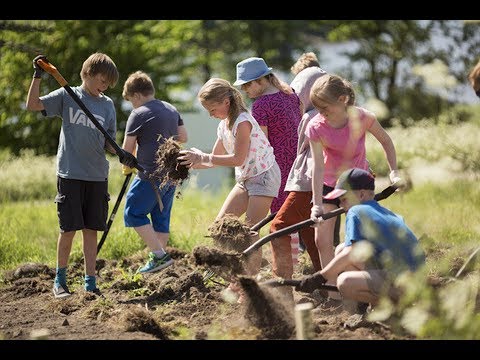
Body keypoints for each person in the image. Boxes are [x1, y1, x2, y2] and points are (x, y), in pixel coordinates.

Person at [26, 53, 137, 298]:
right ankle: (60, 280)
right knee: (68, 229)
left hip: (97, 176)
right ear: (87, 74)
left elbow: (108, 140)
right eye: (102, 80)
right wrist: (38, 75)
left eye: (108, 84)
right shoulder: (68, 96)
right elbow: (32, 105)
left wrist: (121, 153)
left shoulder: (107, 104)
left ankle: (90, 282)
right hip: (70, 174)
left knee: (91, 230)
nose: (104, 86)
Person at [177, 78, 281, 286]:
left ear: (226, 102)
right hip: (245, 179)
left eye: (212, 109)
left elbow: (237, 159)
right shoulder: (223, 125)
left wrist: (204, 158)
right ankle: (230, 274)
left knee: (250, 233)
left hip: (263, 177)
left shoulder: (242, 121)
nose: (210, 114)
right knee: (220, 227)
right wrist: (190, 162)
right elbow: (214, 158)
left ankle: (250, 285)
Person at [306, 74, 401, 298]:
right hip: (330, 184)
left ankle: (369, 285)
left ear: (343, 99)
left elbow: (386, 141)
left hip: (358, 184)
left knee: (362, 236)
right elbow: (318, 167)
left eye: (324, 106)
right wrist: (316, 204)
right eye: (317, 107)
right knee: (322, 239)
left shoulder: (363, 117)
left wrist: (394, 171)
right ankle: (333, 293)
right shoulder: (316, 127)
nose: (320, 112)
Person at [295, 168, 425, 309]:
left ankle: (394, 306)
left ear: (361, 195)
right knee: (340, 249)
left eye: (344, 200)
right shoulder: (382, 211)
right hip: (415, 277)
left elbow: (350, 252)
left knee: (345, 283)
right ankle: (376, 307)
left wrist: (320, 277)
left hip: (402, 279)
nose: (341, 206)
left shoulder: (356, 211)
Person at [121, 71, 188, 274]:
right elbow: (183, 137)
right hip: (171, 174)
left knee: (133, 213)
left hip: (148, 174)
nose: (132, 105)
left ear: (137, 95)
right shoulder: (171, 108)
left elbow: (126, 149)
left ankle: (160, 256)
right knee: (160, 218)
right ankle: (159, 266)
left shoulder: (138, 113)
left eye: (131, 100)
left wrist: (127, 165)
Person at [269, 52, 327, 282]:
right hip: (323, 182)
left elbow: (306, 156)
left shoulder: (310, 117)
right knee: (309, 230)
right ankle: (323, 279)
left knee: (278, 227)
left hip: (307, 183)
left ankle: (282, 285)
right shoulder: (335, 115)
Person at [233, 57, 301, 215]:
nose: (244, 89)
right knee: (299, 213)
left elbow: (261, 144)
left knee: (280, 217)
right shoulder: (290, 94)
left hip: (278, 166)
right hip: (299, 161)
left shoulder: (261, 105)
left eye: (247, 84)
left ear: (261, 80)